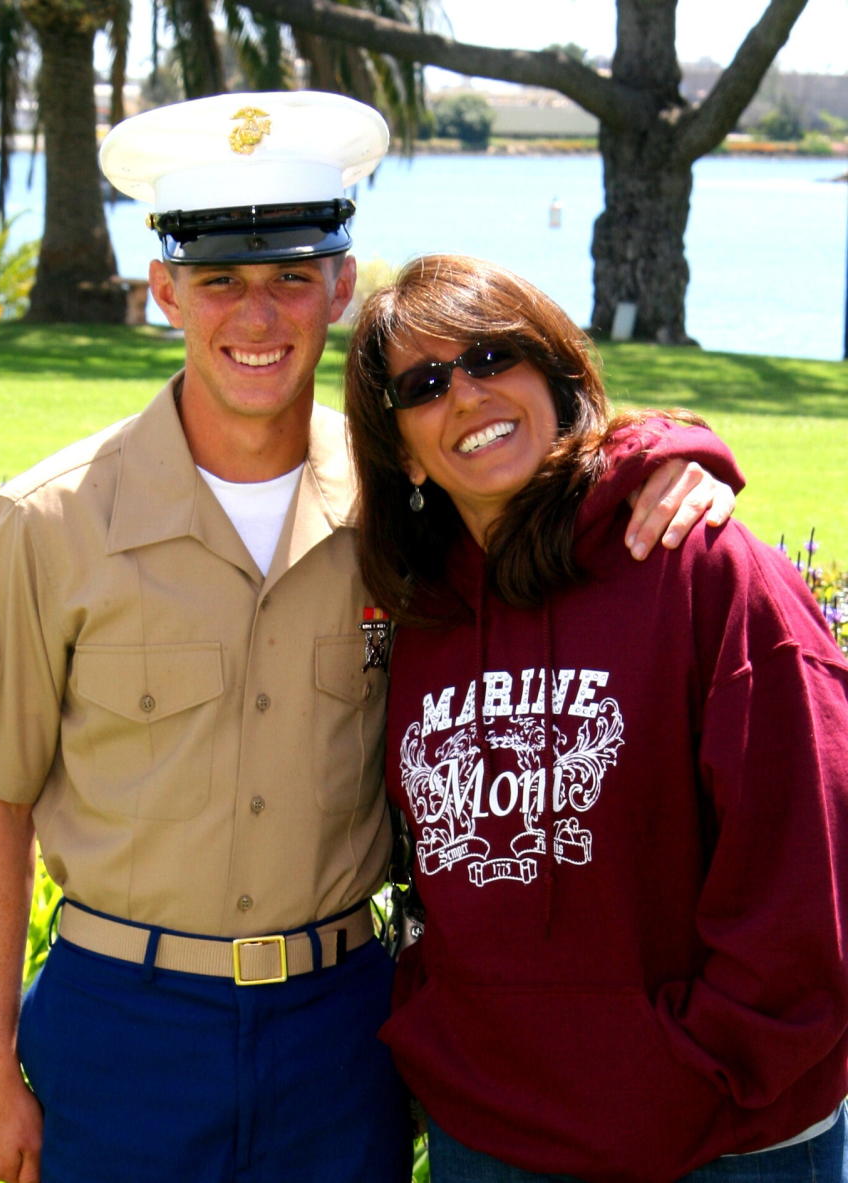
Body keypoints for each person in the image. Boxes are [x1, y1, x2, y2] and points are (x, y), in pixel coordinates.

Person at [0, 93, 738, 1183]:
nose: (256, 319)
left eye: (291, 278)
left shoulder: (410, 501)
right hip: (123, 1024)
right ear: (164, 287)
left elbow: (544, 457)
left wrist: (674, 452)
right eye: (220, 280)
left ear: (342, 286)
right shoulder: (51, 524)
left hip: (339, 1029)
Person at [344, 253, 848, 1183]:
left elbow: (806, 866)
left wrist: (690, 1074)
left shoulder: (698, 566)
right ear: (404, 451)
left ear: (558, 373)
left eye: (494, 356)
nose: (465, 394)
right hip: (489, 1138)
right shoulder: (421, 620)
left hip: (722, 1141)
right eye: (424, 383)